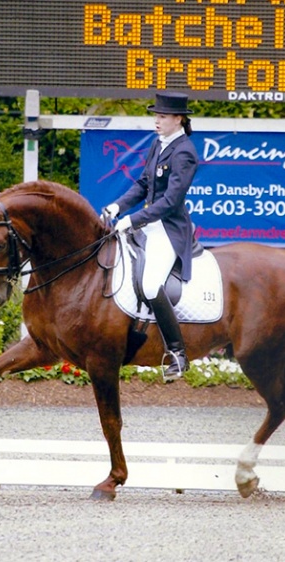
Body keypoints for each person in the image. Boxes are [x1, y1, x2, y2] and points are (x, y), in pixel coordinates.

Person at [104, 92, 199, 381]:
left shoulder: (185, 152)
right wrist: (118, 205)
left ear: (178, 119)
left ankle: (177, 353)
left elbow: (171, 201)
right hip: (150, 224)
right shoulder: (159, 144)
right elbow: (144, 183)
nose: (156, 120)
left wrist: (132, 219)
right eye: (155, 115)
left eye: (162, 116)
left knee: (150, 282)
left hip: (170, 229)